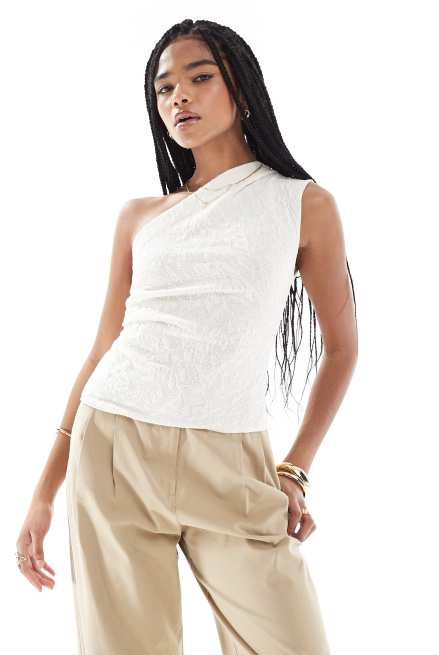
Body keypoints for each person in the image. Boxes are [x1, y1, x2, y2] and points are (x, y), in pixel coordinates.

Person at [16, 18, 358, 654]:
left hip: (231, 460)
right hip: (115, 446)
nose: (179, 97)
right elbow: (102, 349)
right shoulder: (140, 217)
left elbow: (342, 348)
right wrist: (44, 493)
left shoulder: (302, 204)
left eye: (200, 78)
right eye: (165, 88)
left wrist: (295, 470)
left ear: (241, 89)